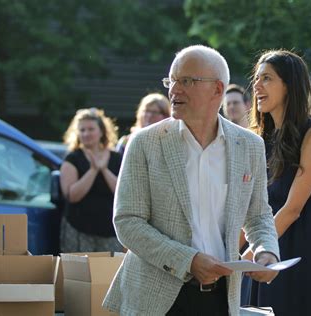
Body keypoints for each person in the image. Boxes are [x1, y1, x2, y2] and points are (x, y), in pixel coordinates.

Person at [102, 45, 280, 316]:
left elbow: (258, 216)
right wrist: (188, 260)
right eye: (171, 81)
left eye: (186, 81)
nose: (174, 90)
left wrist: (267, 252)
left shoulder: (250, 145)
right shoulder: (144, 143)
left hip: (220, 299)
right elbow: (127, 222)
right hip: (154, 301)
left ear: (218, 90)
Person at [242, 49, 311, 315]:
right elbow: (249, 205)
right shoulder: (258, 138)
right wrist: (226, 254)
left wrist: (244, 257)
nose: (256, 86)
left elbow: (293, 208)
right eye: (257, 79)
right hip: (267, 243)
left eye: (266, 78)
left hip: (309, 245)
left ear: (289, 85)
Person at [59, 107, 123, 252]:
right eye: (82, 130)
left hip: (110, 231)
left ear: (101, 131)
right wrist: (93, 170)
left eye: (90, 129)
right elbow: (72, 196)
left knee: (108, 273)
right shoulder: (72, 159)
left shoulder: (116, 158)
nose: (86, 133)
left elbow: (122, 193)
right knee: (79, 273)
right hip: (78, 229)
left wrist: (104, 169)